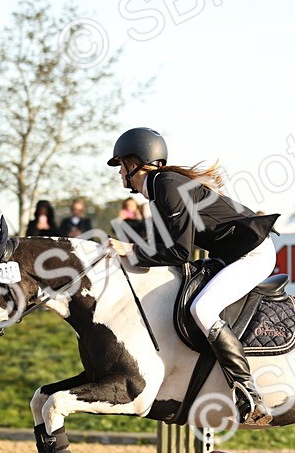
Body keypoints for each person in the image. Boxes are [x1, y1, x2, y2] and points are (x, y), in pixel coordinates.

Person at [108, 126, 281, 425]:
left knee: (202, 308)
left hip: (253, 254)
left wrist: (132, 251)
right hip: (231, 254)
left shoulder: (165, 184)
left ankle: (247, 391)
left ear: (134, 162)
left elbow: (177, 253)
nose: (119, 172)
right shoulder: (159, 188)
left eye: (121, 164)